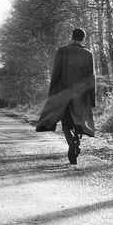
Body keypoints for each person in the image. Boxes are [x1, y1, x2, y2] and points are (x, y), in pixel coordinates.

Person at [36, 28, 95, 165]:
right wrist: (92, 98)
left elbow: (56, 72)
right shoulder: (88, 54)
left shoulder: (62, 51)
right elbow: (91, 77)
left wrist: (52, 93)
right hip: (81, 94)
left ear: (71, 37)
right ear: (83, 38)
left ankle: (71, 143)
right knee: (79, 120)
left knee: (65, 123)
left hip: (64, 92)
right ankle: (77, 141)